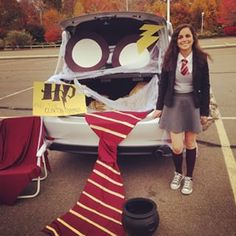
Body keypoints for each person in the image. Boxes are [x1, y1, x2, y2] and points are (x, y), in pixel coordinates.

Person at [153, 23, 211, 195]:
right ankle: (178, 173)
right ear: (176, 40)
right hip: (174, 103)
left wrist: (204, 112)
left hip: (193, 103)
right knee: (177, 147)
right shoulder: (169, 58)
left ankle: (189, 177)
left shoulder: (200, 59)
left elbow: (206, 86)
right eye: (180, 37)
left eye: (187, 36)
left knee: (190, 143)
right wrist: (159, 107)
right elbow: (163, 84)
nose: (184, 39)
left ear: (193, 38)